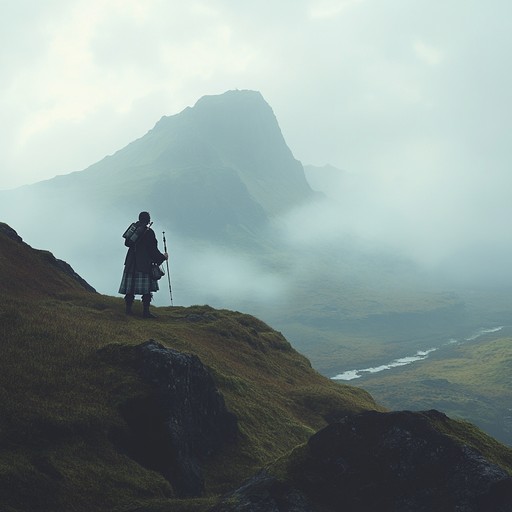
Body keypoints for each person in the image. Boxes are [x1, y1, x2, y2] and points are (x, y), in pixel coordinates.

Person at [118, 211, 168, 318]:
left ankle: (128, 310)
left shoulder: (133, 229)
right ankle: (145, 312)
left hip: (131, 263)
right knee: (147, 290)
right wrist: (163, 257)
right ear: (148, 220)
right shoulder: (149, 232)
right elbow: (152, 250)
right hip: (144, 263)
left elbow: (127, 243)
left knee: (130, 289)